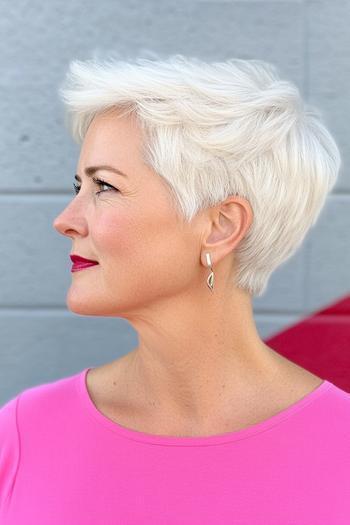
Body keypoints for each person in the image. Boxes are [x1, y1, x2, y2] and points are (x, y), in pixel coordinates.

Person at [1, 53, 349, 524]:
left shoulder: (340, 446)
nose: (65, 220)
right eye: (77, 185)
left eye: (104, 187)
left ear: (220, 226)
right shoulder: (23, 432)